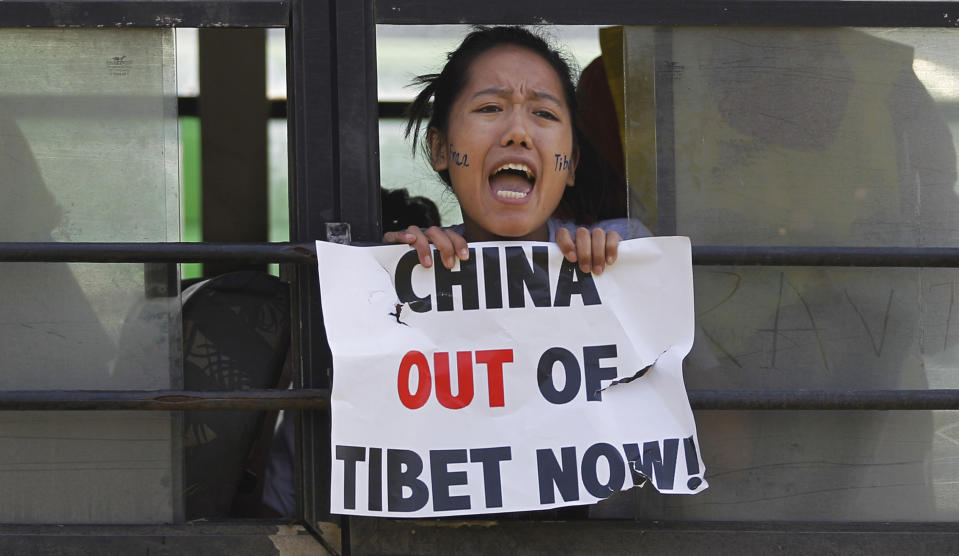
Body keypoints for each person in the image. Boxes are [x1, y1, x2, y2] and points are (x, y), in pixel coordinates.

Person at [383, 26, 649, 272]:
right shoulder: (417, 259)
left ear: (570, 162)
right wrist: (391, 266)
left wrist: (615, 265)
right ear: (440, 149)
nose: (518, 133)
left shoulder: (628, 244)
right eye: (490, 108)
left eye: (544, 113)